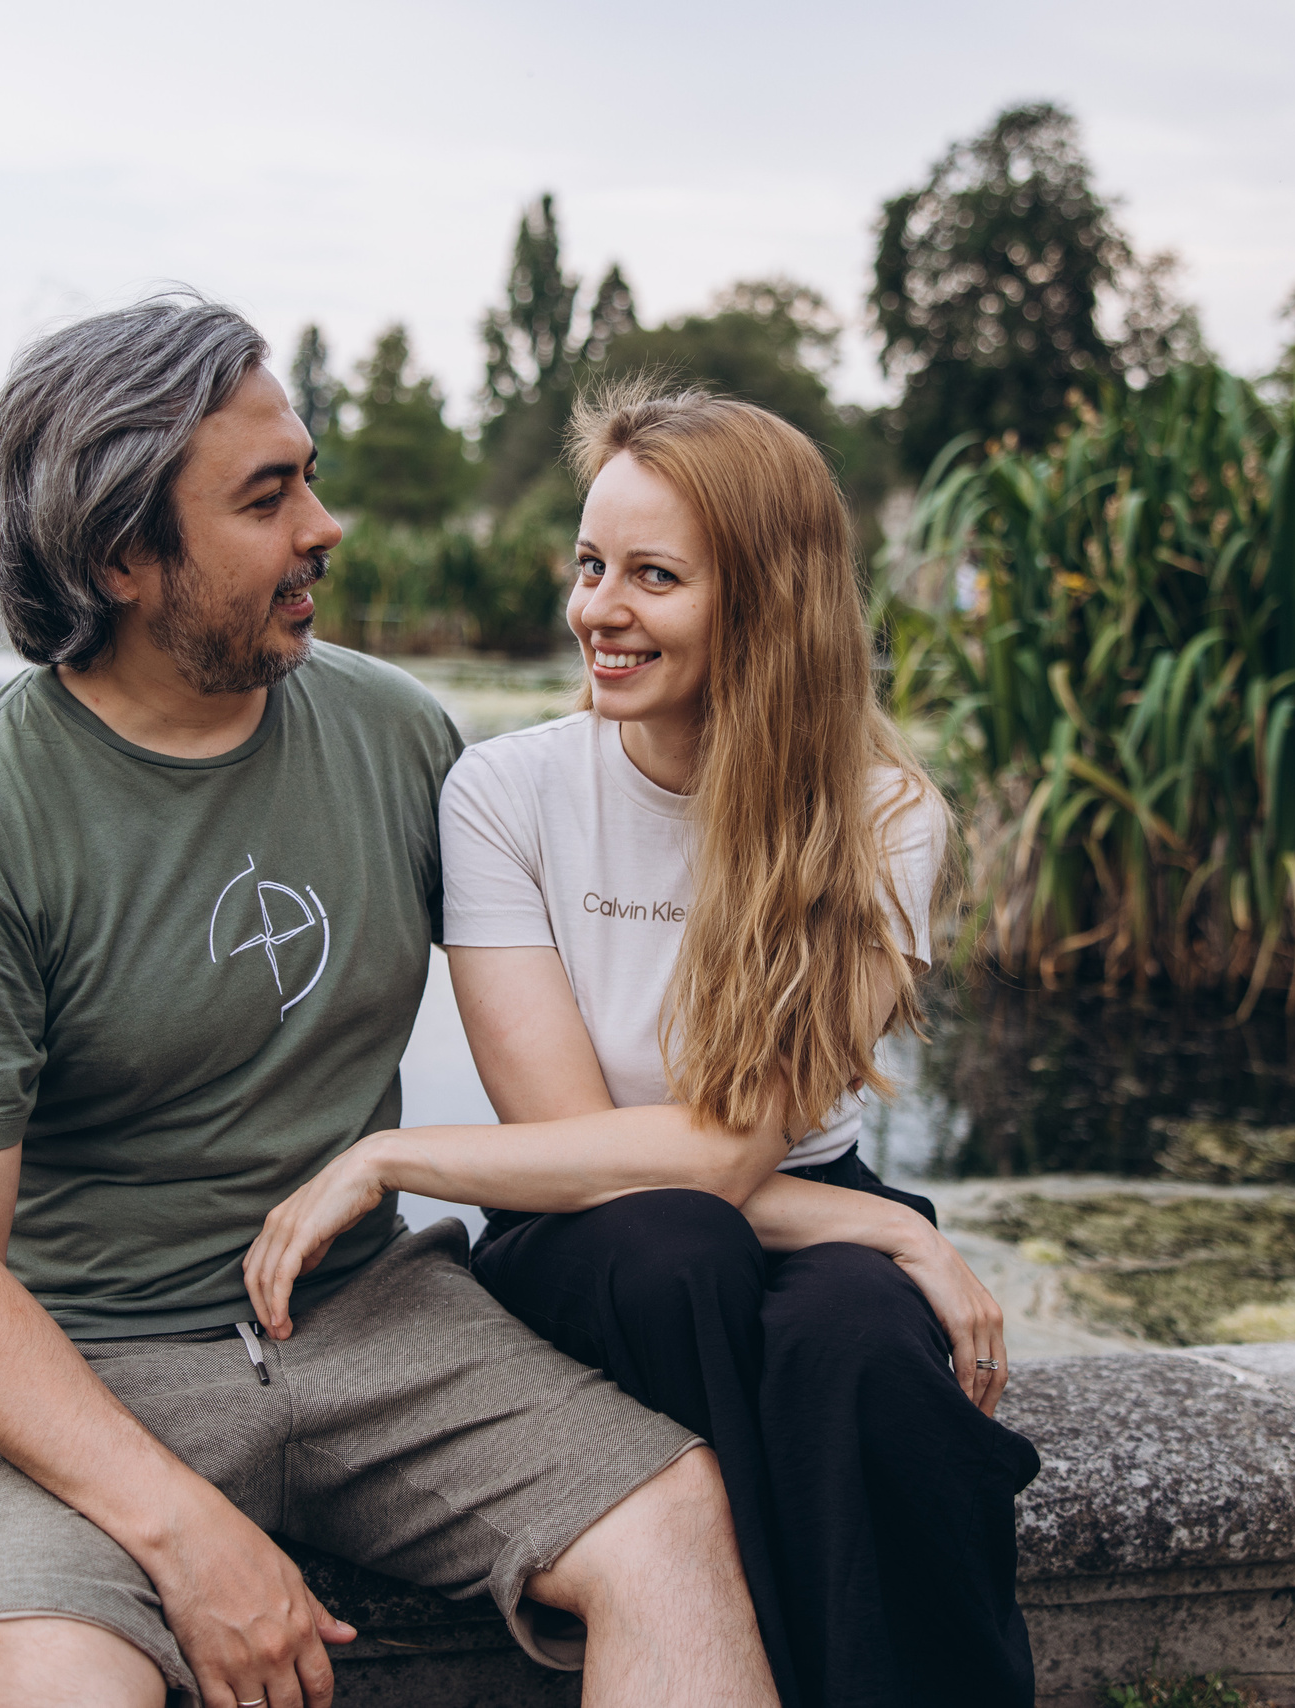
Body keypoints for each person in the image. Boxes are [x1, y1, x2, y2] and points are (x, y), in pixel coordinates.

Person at [0, 299, 779, 1708]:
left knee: (673, 1525)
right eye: (270, 495)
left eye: (313, 477)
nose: (324, 527)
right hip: (93, 1364)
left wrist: (875, 1231)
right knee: (13, 1681)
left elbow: (596, 1110)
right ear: (121, 550)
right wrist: (179, 1532)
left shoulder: (401, 736)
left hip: (375, 1319)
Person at [243, 387, 1043, 1708]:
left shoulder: (884, 815)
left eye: (654, 577)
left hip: (781, 1202)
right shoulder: (506, 794)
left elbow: (728, 1156)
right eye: (590, 563)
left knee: (859, 1344)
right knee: (678, 1251)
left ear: (770, 602)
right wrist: (900, 1233)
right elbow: (593, 1160)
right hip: (595, 1232)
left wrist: (873, 1243)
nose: (597, 610)